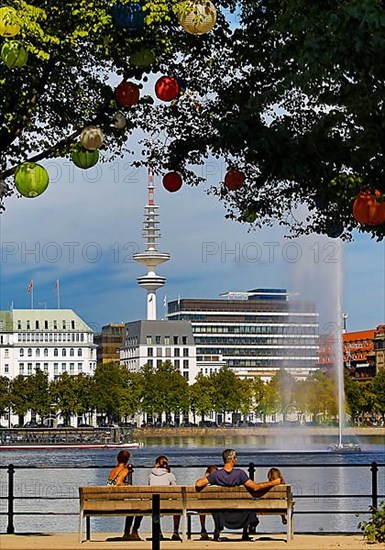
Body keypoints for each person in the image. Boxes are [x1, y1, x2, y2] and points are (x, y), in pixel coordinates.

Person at [195, 449, 282, 542]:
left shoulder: (216, 475)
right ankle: (245, 532)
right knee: (249, 504)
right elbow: (256, 487)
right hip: (241, 513)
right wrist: (274, 482)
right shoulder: (240, 474)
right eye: (235, 458)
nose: (236, 460)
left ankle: (217, 529)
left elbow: (198, 484)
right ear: (232, 459)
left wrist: (207, 477)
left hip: (221, 514)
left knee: (218, 506)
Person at [107, 450, 143, 541]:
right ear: (128, 460)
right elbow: (118, 483)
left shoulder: (113, 470)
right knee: (141, 506)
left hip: (110, 500)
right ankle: (133, 532)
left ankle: (127, 533)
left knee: (133, 505)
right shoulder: (124, 470)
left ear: (117, 459)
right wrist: (127, 485)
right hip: (118, 501)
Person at [149, 455, 181, 541]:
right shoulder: (170, 475)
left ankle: (158, 532)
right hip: (167, 504)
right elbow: (176, 491)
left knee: (155, 508)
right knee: (178, 507)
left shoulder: (151, 475)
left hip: (154, 505)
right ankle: (175, 531)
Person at [199, 465, 218, 540]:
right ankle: (217, 529)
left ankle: (203, 529)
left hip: (204, 507)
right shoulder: (219, 483)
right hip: (216, 507)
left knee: (201, 506)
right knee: (218, 509)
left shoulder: (202, 483)